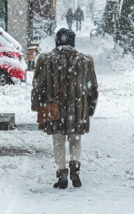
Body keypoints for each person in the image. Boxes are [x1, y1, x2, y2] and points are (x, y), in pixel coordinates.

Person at [31, 28, 99, 189]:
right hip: (77, 110)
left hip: (55, 109)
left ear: (57, 41)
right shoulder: (85, 60)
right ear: (73, 43)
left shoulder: (46, 59)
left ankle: (62, 173)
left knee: (58, 140)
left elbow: (38, 86)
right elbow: (93, 88)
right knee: (75, 138)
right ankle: (75, 166)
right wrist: (89, 108)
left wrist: (37, 106)